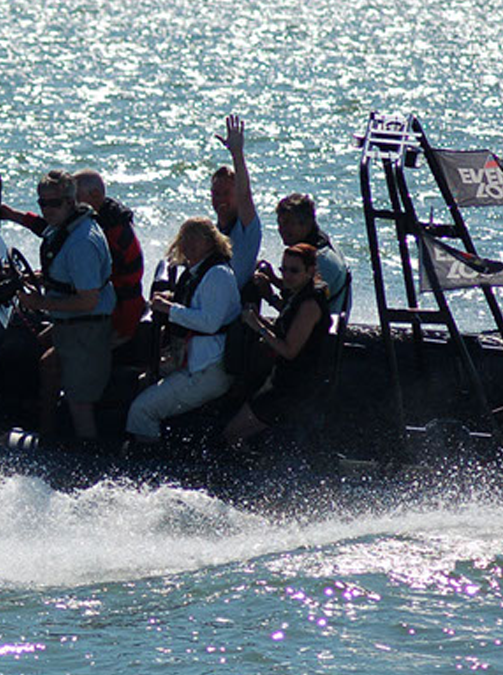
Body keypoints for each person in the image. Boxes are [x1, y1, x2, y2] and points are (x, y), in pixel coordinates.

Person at [14, 170, 116, 445]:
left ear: (70, 202)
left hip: (87, 329)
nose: (47, 210)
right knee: (45, 361)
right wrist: (36, 279)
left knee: (80, 402)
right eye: (42, 203)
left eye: (54, 203)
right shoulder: (63, 227)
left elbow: (88, 299)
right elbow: (66, 275)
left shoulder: (81, 242)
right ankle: (46, 436)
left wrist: (40, 303)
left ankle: (85, 459)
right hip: (69, 325)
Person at [0, 168, 145, 344]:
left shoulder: (102, 232)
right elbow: (55, 231)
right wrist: (13, 215)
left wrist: (41, 299)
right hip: (99, 307)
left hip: (117, 316)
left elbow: (87, 279)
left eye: (72, 198)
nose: (71, 204)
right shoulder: (92, 216)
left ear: (94, 194)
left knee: (47, 360)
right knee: (39, 340)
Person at [126, 217, 241, 443]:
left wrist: (170, 308)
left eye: (194, 239)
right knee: (139, 382)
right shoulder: (196, 273)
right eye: (184, 239)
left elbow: (209, 322)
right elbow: (196, 304)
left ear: (211, 242)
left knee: (141, 411)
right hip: (194, 362)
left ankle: (149, 465)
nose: (187, 244)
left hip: (209, 369)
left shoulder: (217, 274)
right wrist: (171, 300)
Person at [222, 243, 332, 448]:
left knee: (232, 433)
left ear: (310, 271)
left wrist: (258, 327)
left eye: (294, 270)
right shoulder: (297, 296)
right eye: (284, 269)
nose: (287, 275)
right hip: (281, 379)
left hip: (293, 387)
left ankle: (241, 475)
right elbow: (283, 331)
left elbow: (289, 350)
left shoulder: (309, 305)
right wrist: (258, 319)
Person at [264, 193, 350, 315]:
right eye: (279, 223)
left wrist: (269, 296)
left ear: (307, 224)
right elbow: (298, 290)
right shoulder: (323, 242)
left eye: (288, 223)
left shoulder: (320, 261)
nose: (281, 229)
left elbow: (297, 317)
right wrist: (272, 279)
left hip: (324, 330)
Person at [211, 115, 262, 292]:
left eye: (227, 194)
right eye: (216, 194)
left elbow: (245, 195)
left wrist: (237, 154)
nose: (220, 199)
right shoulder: (213, 232)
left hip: (230, 311)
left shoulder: (246, 228)